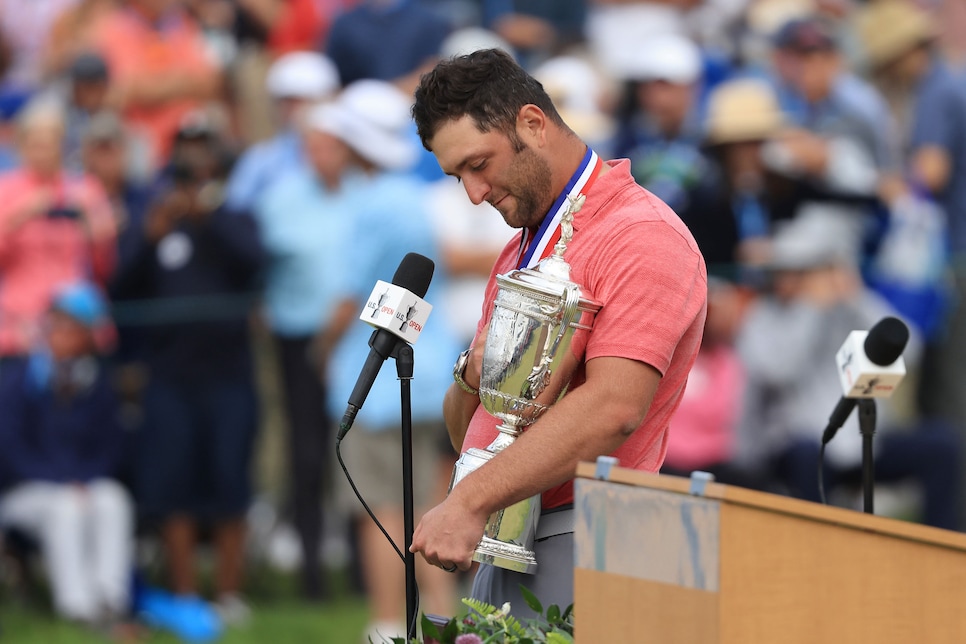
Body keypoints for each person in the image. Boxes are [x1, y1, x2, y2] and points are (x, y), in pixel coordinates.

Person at [409, 48, 708, 618]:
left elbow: (614, 407)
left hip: (605, 537)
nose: (473, 193)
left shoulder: (640, 233)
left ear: (532, 123)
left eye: (479, 164)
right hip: (509, 534)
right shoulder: (523, 244)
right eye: (457, 177)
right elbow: (467, 432)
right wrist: (471, 372)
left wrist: (468, 501)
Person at [305, 79, 462, 643]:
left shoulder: (367, 203)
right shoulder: (410, 199)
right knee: (427, 503)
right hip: (426, 369)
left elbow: (349, 299)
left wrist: (321, 350)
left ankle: (388, 625)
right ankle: (440, 618)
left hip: (371, 376)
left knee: (382, 509)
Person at [111, 119, 264, 633]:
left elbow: (254, 264)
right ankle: (183, 593)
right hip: (169, 376)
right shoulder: (153, 219)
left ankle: (228, 593)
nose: (192, 168)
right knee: (172, 484)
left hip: (228, 374)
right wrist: (149, 235)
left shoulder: (235, 214)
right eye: (184, 157)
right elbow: (120, 290)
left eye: (202, 157)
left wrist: (207, 216)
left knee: (229, 480)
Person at [0, 281, 135, 634]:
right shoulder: (18, 381)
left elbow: (111, 449)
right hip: (25, 491)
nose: (62, 334)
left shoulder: (97, 385)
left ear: (89, 336)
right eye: (57, 324)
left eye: (73, 327)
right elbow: (10, 450)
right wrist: (64, 481)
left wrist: (84, 480)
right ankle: (77, 607)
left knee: (113, 499)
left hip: (82, 485)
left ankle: (110, 600)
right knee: (66, 506)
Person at [0, 98, 117, 358]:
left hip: (77, 317)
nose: (43, 152)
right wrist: (20, 215)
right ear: (21, 146)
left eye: (51, 143)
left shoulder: (85, 189)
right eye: (35, 144)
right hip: (20, 323)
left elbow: (104, 266)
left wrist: (94, 231)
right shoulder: (5, 190)